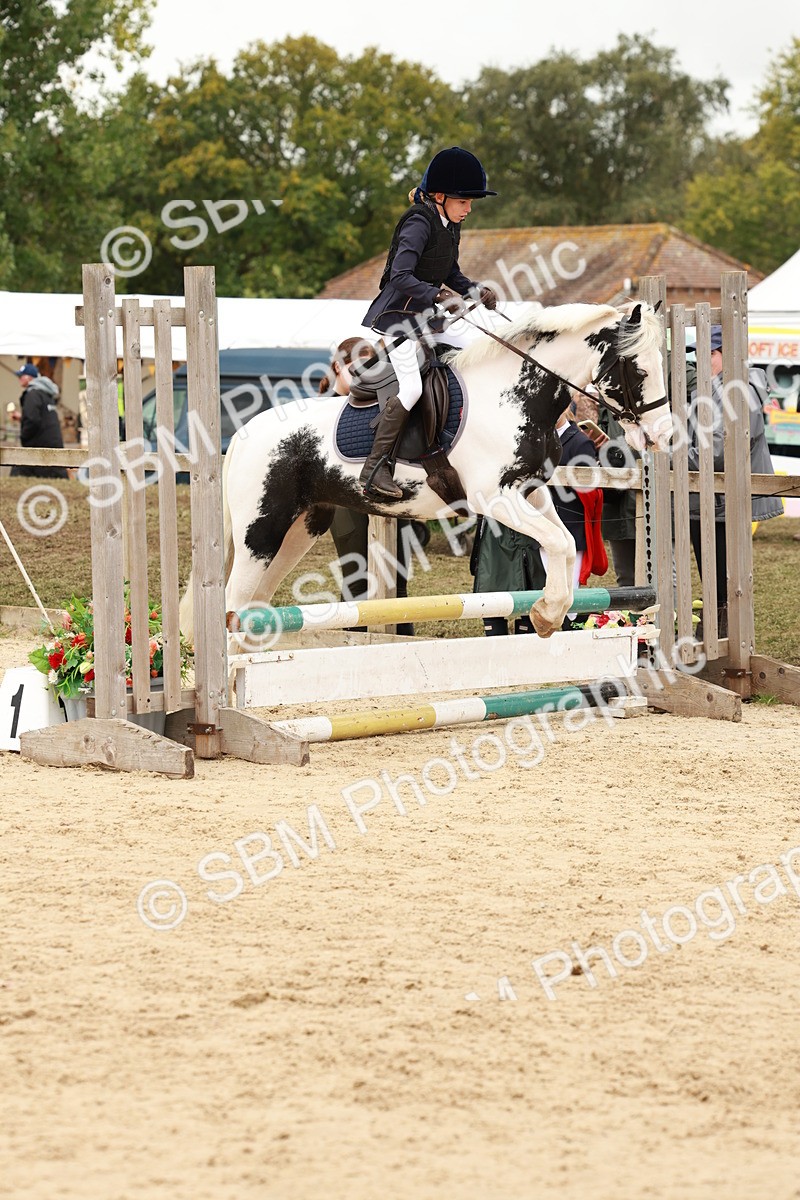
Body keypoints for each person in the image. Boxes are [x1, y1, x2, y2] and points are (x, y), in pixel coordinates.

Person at [359, 146, 499, 498]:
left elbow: (449, 271)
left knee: (478, 349)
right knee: (411, 388)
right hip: (397, 319)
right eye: (464, 201)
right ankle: (375, 468)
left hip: (425, 317)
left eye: (470, 203)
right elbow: (400, 276)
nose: (469, 208)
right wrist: (438, 296)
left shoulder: (449, 226)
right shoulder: (419, 222)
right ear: (439, 197)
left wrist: (475, 289)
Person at [471, 406, 607, 635]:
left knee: (553, 595)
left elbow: (587, 489)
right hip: (517, 524)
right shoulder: (526, 437)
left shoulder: (579, 442)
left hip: (552, 525)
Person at [686, 326, 783, 636]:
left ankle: (724, 641)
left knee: (725, 583)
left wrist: (670, 454)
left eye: (708, 354)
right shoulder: (713, 387)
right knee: (716, 581)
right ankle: (718, 635)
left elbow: (717, 450)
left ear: (726, 354)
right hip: (710, 500)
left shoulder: (738, 389)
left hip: (724, 502)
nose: (701, 361)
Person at [320, 338, 415, 633]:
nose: (367, 377)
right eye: (358, 368)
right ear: (338, 367)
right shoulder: (322, 410)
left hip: (384, 498)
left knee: (396, 581)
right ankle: (350, 651)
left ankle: (402, 649)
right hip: (345, 503)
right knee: (357, 580)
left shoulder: (382, 400)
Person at [9, 363, 68, 479]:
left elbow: (33, 420)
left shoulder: (32, 394)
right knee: (58, 480)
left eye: (22, 376)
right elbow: (41, 418)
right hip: (53, 446)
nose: (19, 379)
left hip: (40, 448)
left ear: (30, 378)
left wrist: (24, 438)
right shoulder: (45, 394)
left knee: (17, 475)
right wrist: (22, 417)